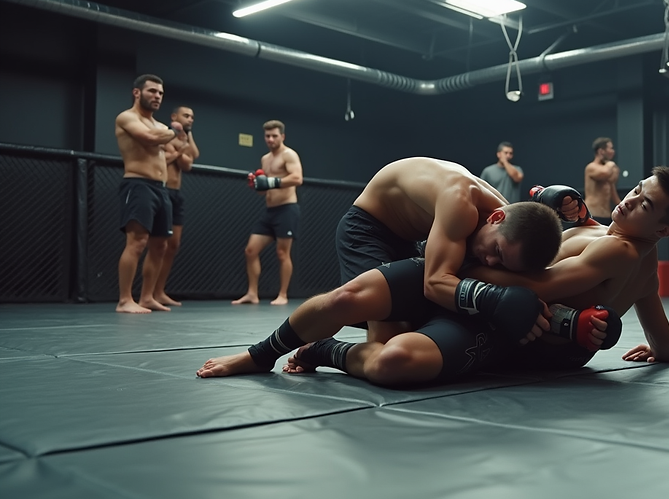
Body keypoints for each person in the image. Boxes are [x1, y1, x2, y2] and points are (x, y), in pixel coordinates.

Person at [282, 166, 669, 387]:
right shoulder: (622, 246)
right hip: (527, 336)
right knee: (387, 335)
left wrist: (452, 266)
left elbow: (535, 286)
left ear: (664, 230)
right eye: (636, 190)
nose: (631, 202)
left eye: (646, 206)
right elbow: (665, 346)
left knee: (394, 347)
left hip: (520, 334)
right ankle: (326, 341)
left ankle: (325, 349)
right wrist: (655, 349)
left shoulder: (619, 248)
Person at [198, 157, 566, 379]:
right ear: (496, 218)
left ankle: (325, 346)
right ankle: (263, 355)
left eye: (501, 262)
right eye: (497, 251)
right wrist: (498, 298)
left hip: (412, 239)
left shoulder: (503, 221)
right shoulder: (462, 203)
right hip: (369, 229)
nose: (490, 262)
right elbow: (436, 284)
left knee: (394, 351)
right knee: (357, 308)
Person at [114, 74, 189, 314]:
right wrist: (173, 133)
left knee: (160, 246)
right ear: (137, 93)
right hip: (138, 184)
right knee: (137, 243)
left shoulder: (159, 126)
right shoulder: (127, 117)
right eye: (152, 91)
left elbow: (184, 152)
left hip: (162, 188)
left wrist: (172, 135)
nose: (157, 96)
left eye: (160, 93)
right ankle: (125, 300)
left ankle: (146, 297)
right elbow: (147, 139)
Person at [232, 120, 303, 306]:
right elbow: (265, 189)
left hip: (287, 209)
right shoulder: (265, 159)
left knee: (282, 253)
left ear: (282, 136)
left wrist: (270, 182)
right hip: (269, 211)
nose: (270, 139)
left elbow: (297, 178)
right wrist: (258, 184)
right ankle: (252, 294)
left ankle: (283, 295)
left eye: (274, 136)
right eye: (267, 136)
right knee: (250, 250)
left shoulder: (289, 155)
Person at [152, 105, 200, 306]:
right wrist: (179, 149)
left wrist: (185, 139)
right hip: (161, 190)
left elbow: (191, 159)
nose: (190, 119)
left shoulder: (182, 139)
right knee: (157, 246)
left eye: (192, 116)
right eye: (186, 115)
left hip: (177, 194)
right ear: (174, 117)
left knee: (173, 245)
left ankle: (159, 291)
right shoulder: (164, 133)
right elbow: (167, 158)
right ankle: (148, 293)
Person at [584, 137, 622, 225]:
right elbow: (605, 172)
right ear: (601, 151)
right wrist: (611, 164)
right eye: (610, 148)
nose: (613, 151)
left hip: (606, 216)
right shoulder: (591, 167)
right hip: (593, 215)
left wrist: (622, 205)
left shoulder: (608, 170)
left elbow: (613, 193)